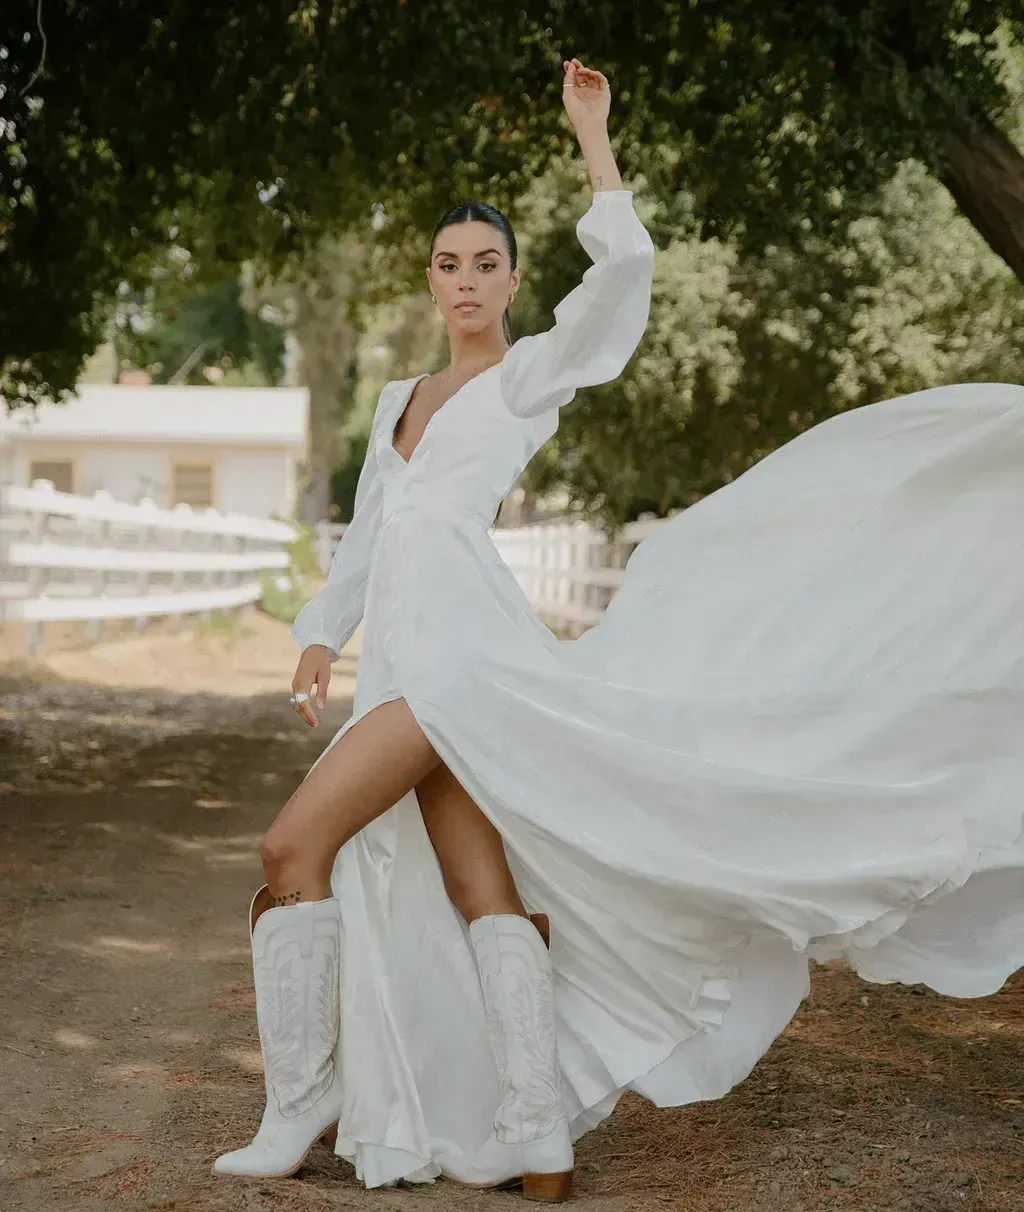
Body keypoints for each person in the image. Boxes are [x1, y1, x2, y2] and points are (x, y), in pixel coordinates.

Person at [212, 58, 1024, 1203]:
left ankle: (294, 1111)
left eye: (485, 265)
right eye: (448, 265)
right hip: (398, 662)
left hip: (461, 667)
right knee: (475, 889)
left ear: (508, 279)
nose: (465, 283)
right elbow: (370, 538)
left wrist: (592, 139)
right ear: (430, 278)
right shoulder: (398, 401)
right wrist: (315, 635)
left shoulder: (526, 378)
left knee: (293, 851)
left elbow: (628, 274)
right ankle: (536, 1133)